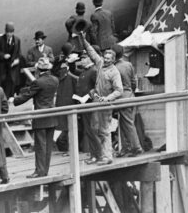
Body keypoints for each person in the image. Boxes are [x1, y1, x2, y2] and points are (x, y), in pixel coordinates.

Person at [78, 33, 123, 165]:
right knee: (94, 129)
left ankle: (107, 157)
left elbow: (119, 90)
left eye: (109, 58)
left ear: (114, 60)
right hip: (96, 102)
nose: (107, 60)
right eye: (105, 57)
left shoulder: (114, 72)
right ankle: (99, 155)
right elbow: (91, 52)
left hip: (105, 104)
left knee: (104, 131)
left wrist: (107, 98)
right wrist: (83, 39)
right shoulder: (99, 63)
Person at [13, 57, 58, 181]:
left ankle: (39, 171)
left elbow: (27, 95)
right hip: (52, 115)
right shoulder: (55, 80)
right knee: (48, 145)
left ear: (38, 69)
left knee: (40, 145)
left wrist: (15, 100)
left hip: (40, 116)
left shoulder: (38, 82)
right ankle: (45, 170)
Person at [114, 48, 142, 157]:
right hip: (130, 96)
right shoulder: (128, 64)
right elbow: (133, 82)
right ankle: (125, 147)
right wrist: (131, 91)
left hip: (120, 97)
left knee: (128, 124)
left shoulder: (113, 68)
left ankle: (136, 147)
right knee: (124, 123)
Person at [54, 53, 80, 153]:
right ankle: (68, 149)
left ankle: (70, 149)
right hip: (64, 104)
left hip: (69, 103)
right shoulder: (64, 72)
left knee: (67, 127)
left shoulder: (72, 73)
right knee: (64, 127)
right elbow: (55, 70)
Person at [0, 23, 22, 98]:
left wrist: (17, 60)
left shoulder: (17, 40)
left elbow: (19, 53)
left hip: (11, 65)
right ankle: (0, 97)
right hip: (0, 65)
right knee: (0, 81)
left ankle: (8, 97)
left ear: (13, 32)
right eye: (7, 32)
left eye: (11, 32)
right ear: (5, 32)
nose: (9, 34)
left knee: (11, 80)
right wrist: (3, 55)